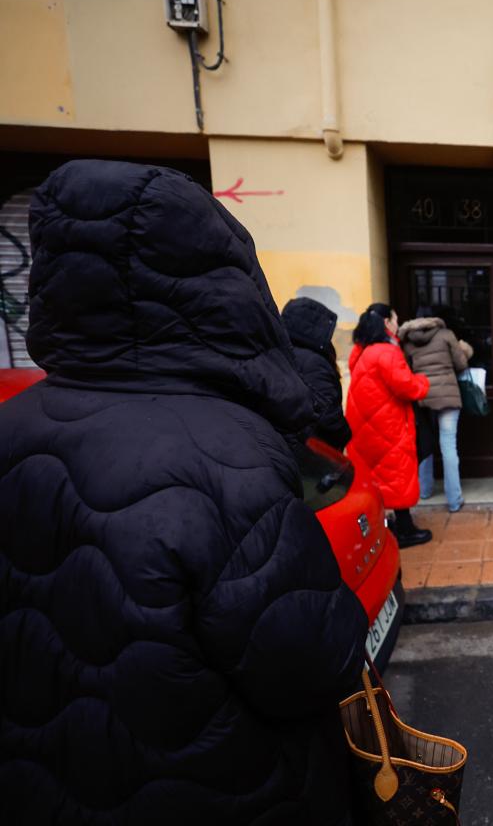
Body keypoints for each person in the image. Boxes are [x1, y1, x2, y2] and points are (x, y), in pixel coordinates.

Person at [0, 160, 368, 825]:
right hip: (223, 791)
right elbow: (317, 659)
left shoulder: (11, 424)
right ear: (219, 280)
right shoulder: (228, 455)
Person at [346, 303, 433, 547]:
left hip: (364, 425)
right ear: (386, 323)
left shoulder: (360, 351)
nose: (397, 324)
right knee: (397, 474)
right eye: (395, 319)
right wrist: (423, 381)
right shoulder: (387, 352)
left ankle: (383, 527)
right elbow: (408, 387)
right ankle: (405, 530)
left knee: (375, 477)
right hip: (387, 425)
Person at [398, 314, 472, 512]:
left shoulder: (408, 342)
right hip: (447, 396)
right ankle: (454, 500)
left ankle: (425, 491)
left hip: (422, 396)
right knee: (448, 445)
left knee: (425, 443)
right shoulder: (446, 335)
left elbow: (405, 370)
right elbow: (461, 364)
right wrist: (465, 350)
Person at [282, 296, 352, 450]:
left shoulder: (284, 353)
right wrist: (344, 434)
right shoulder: (313, 362)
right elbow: (327, 416)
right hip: (315, 450)